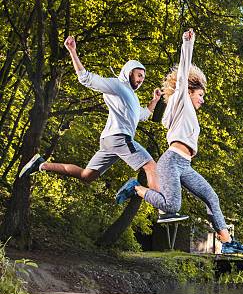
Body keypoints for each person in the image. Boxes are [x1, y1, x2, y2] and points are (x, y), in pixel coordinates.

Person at [116, 29, 243, 255]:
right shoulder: (182, 100)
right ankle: (135, 188)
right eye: (201, 95)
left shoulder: (182, 113)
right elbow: (184, 71)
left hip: (185, 165)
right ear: (189, 92)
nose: (203, 100)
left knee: (211, 196)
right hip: (171, 161)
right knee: (172, 207)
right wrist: (188, 44)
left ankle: (227, 242)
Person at [19, 36, 163, 194]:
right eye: (139, 75)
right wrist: (73, 51)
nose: (142, 79)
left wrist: (154, 100)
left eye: (143, 76)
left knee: (86, 175)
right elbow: (85, 78)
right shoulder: (118, 85)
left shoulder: (131, 98)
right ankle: (162, 206)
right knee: (150, 166)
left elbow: (143, 115)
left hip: (109, 141)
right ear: (129, 73)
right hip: (119, 138)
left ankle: (41, 164)